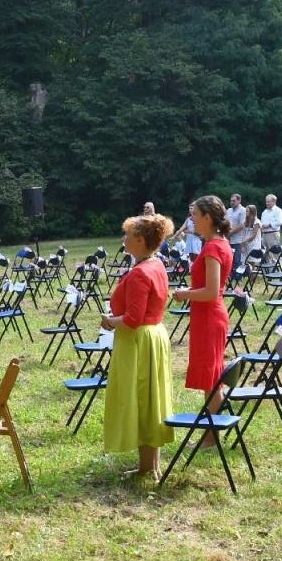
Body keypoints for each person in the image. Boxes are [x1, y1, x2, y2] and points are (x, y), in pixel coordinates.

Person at [101, 212, 177, 476]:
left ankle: (148, 467)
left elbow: (132, 319)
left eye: (129, 235)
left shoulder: (141, 273)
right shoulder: (156, 265)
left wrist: (109, 322)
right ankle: (149, 466)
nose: (124, 238)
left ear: (141, 241)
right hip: (153, 335)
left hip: (139, 341)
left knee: (142, 400)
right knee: (150, 400)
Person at [172, 196, 234, 420]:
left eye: (195, 215)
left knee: (211, 378)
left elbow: (211, 291)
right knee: (212, 375)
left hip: (209, 316)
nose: (191, 219)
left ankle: (210, 436)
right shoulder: (219, 243)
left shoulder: (213, 248)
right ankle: (214, 428)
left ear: (207, 218)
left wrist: (184, 294)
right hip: (208, 315)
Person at [225, 194, 249, 259]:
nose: (232, 202)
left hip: (237, 240)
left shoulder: (243, 210)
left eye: (234, 201)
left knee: (236, 260)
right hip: (228, 239)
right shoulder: (229, 210)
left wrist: (229, 234)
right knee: (229, 259)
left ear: (239, 201)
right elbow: (225, 222)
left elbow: (241, 225)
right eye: (231, 201)